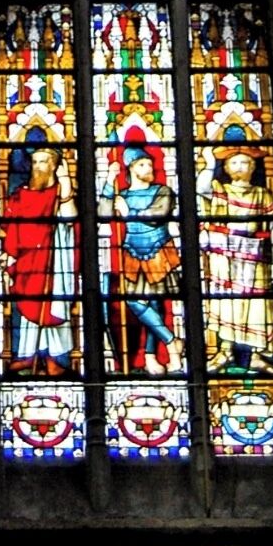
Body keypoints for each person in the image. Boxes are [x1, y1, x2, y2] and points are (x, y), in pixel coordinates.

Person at [198, 138, 273, 371]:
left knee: (255, 304)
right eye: (234, 162)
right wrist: (208, 164)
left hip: (255, 254)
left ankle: (253, 354)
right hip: (225, 254)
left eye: (245, 162)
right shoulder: (220, 190)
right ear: (225, 167)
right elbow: (201, 188)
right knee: (227, 303)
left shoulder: (262, 194)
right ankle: (225, 351)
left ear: (253, 167)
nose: (240, 167)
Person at [0, 136, 79, 375]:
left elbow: (69, 219)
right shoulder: (21, 194)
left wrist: (65, 186)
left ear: (55, 165)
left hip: (55, 257)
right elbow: (12, 226)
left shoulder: (59, 194)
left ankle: (57, 357)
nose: (37, 167)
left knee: (54, 306)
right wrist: (10, 255)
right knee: (29, 305)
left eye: (43, 161)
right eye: (34, 162)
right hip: (27, 260)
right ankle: (27, 354)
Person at [106, 145, 181, 375]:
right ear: (130, 168)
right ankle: (171, 342)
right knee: (135, 301)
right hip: (132, 252)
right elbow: (102, 210)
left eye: (149, 163)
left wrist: (129, 212)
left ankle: (151, 358)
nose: (148, 167)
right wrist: (110, 181)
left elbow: (158, 214)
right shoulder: (123, 195)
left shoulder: (163, 191)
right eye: (142, 164)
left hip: (158, 250)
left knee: (156, 304)